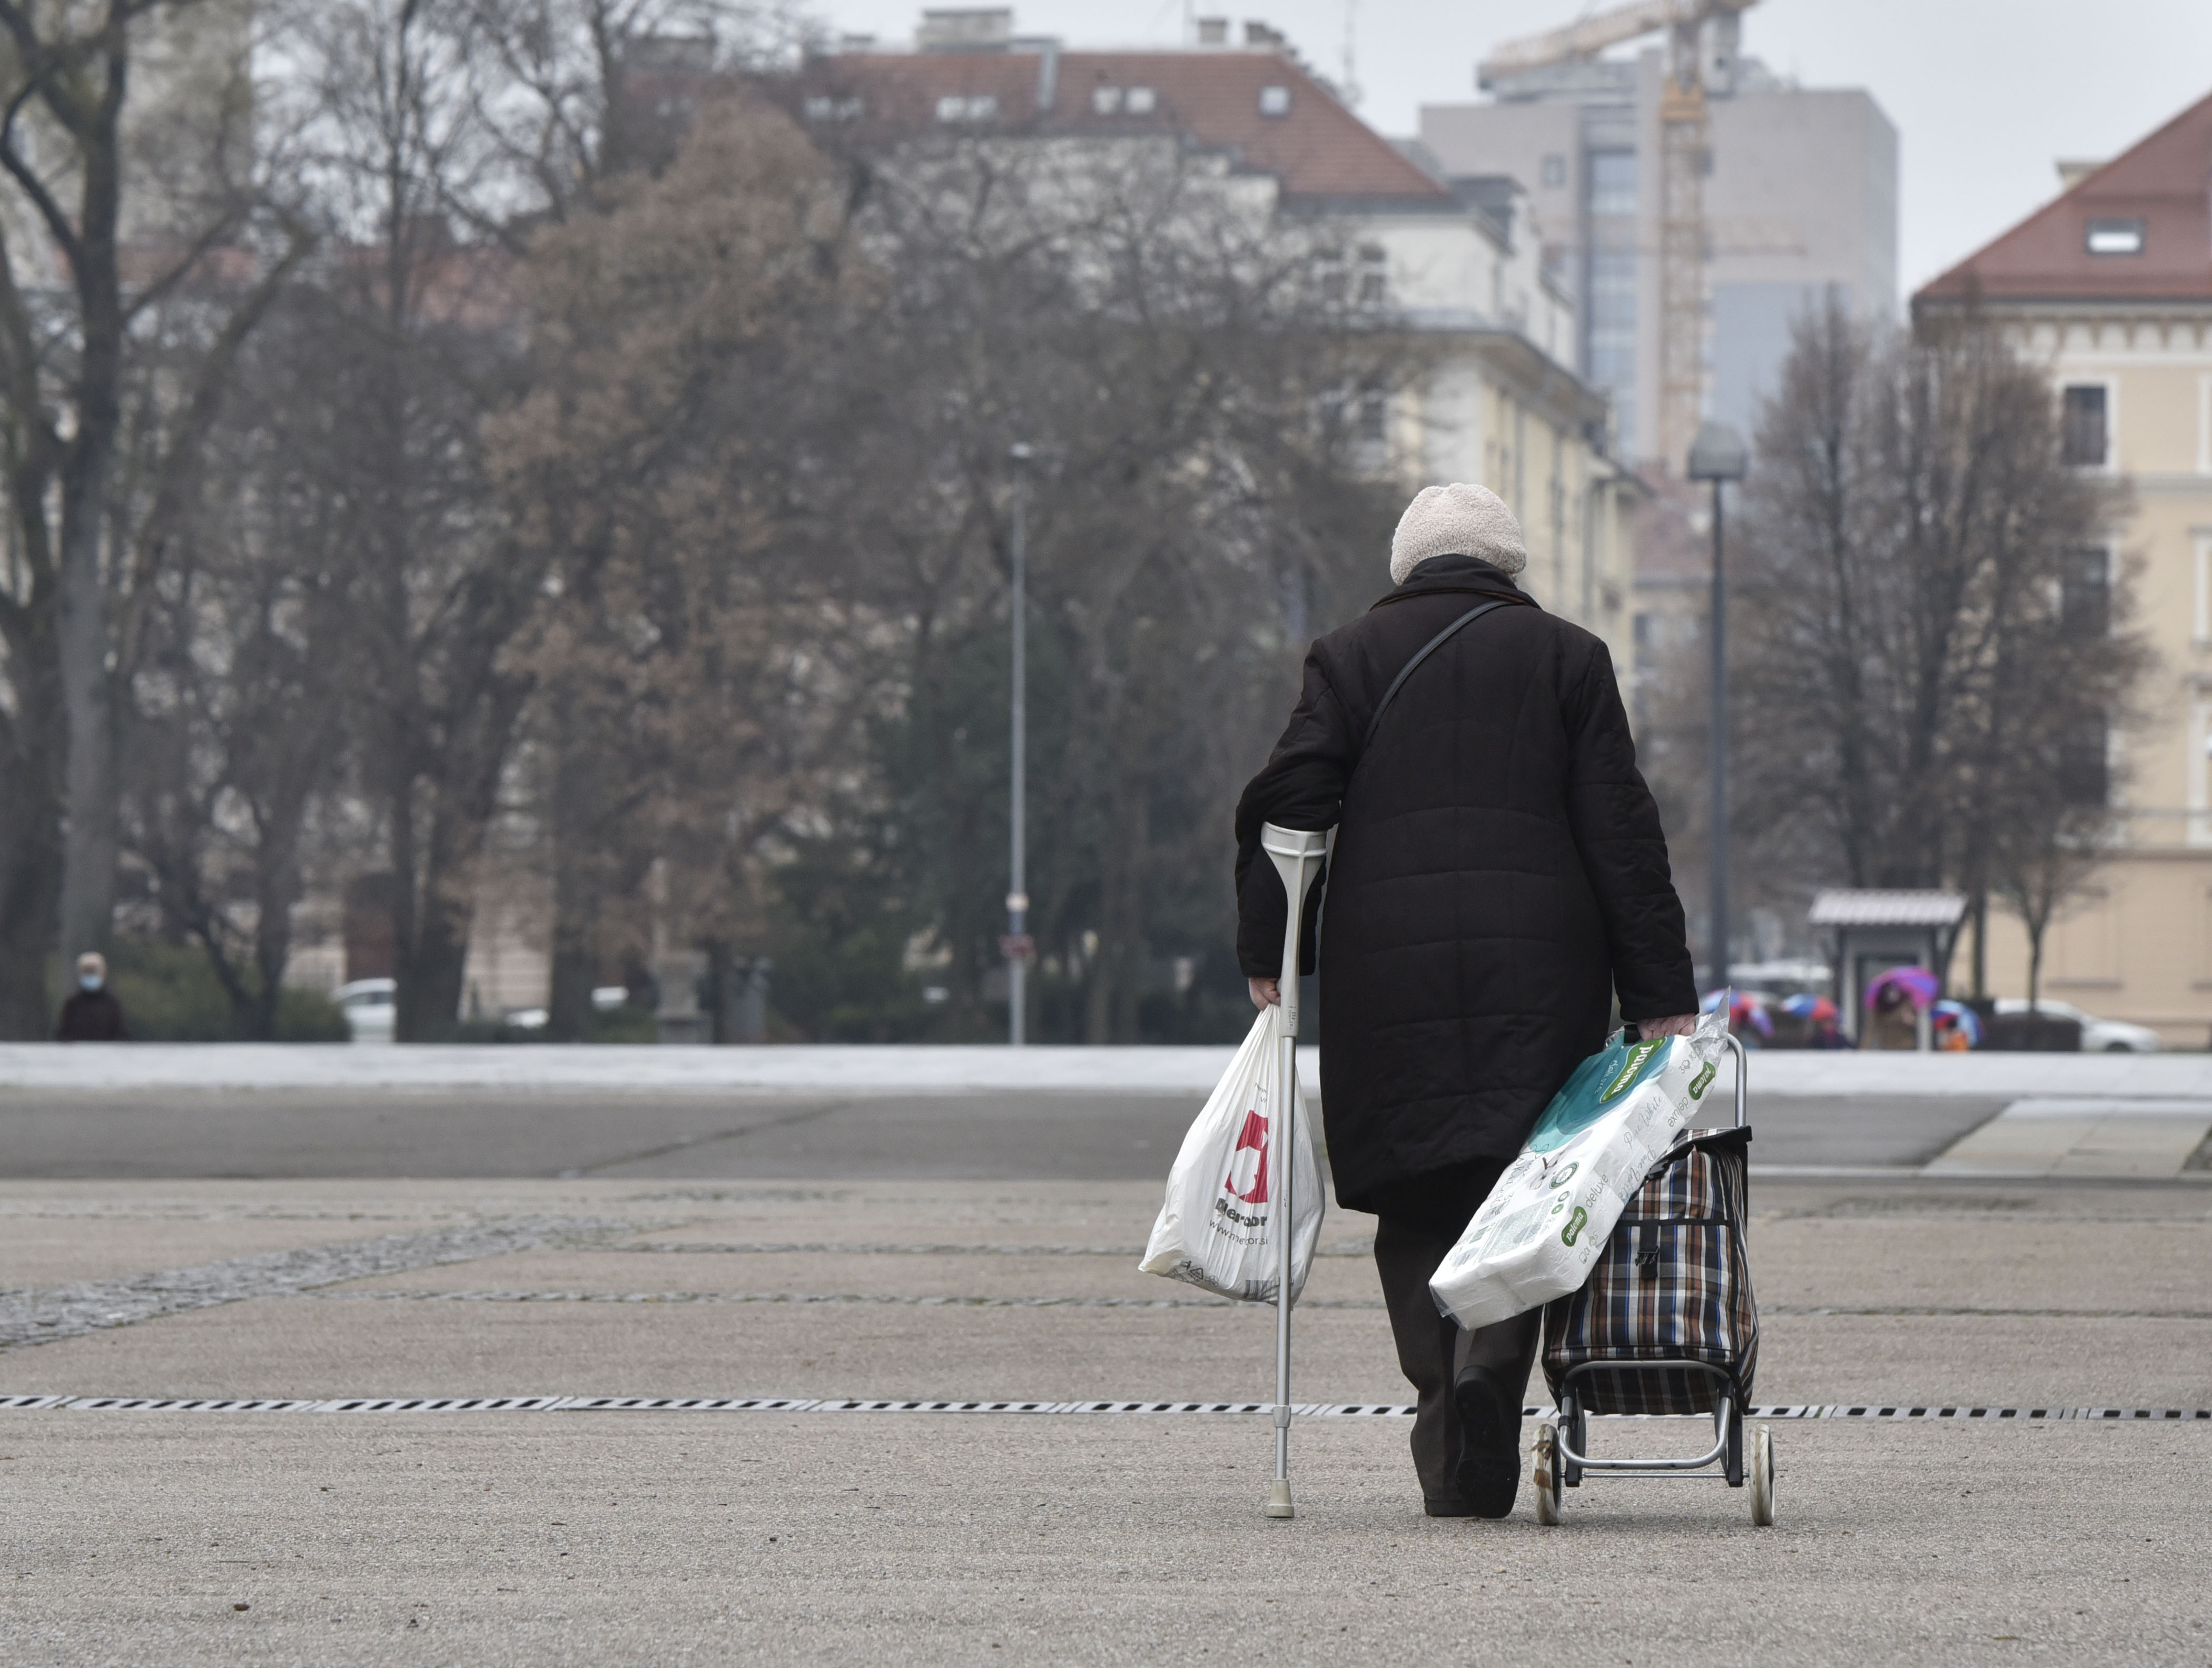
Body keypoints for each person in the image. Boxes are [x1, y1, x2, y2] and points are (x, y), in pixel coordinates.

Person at [1233, 482, 1697, 1521]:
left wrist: (1270, 946)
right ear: (1509, 563)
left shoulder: (1345, 656)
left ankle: (1447, 1412)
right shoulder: (1570, 658)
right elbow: (1621, 829)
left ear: (1409, 562)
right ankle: (1494, 1354)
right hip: (1541, 966)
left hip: (1383, 965)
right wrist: (1660, 989)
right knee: (1519, 1179)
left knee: (1415, 1192)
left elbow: (1290, 802)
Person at [55, 952, 128, 1041]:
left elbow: (120, 1035)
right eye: (87, 972)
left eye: (93, 972)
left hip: (107, 1054)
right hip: (77, 1054)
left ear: (102, 973)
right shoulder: (73, 1003)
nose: (90, 975)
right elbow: (63, 1034)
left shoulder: (112, 1004)